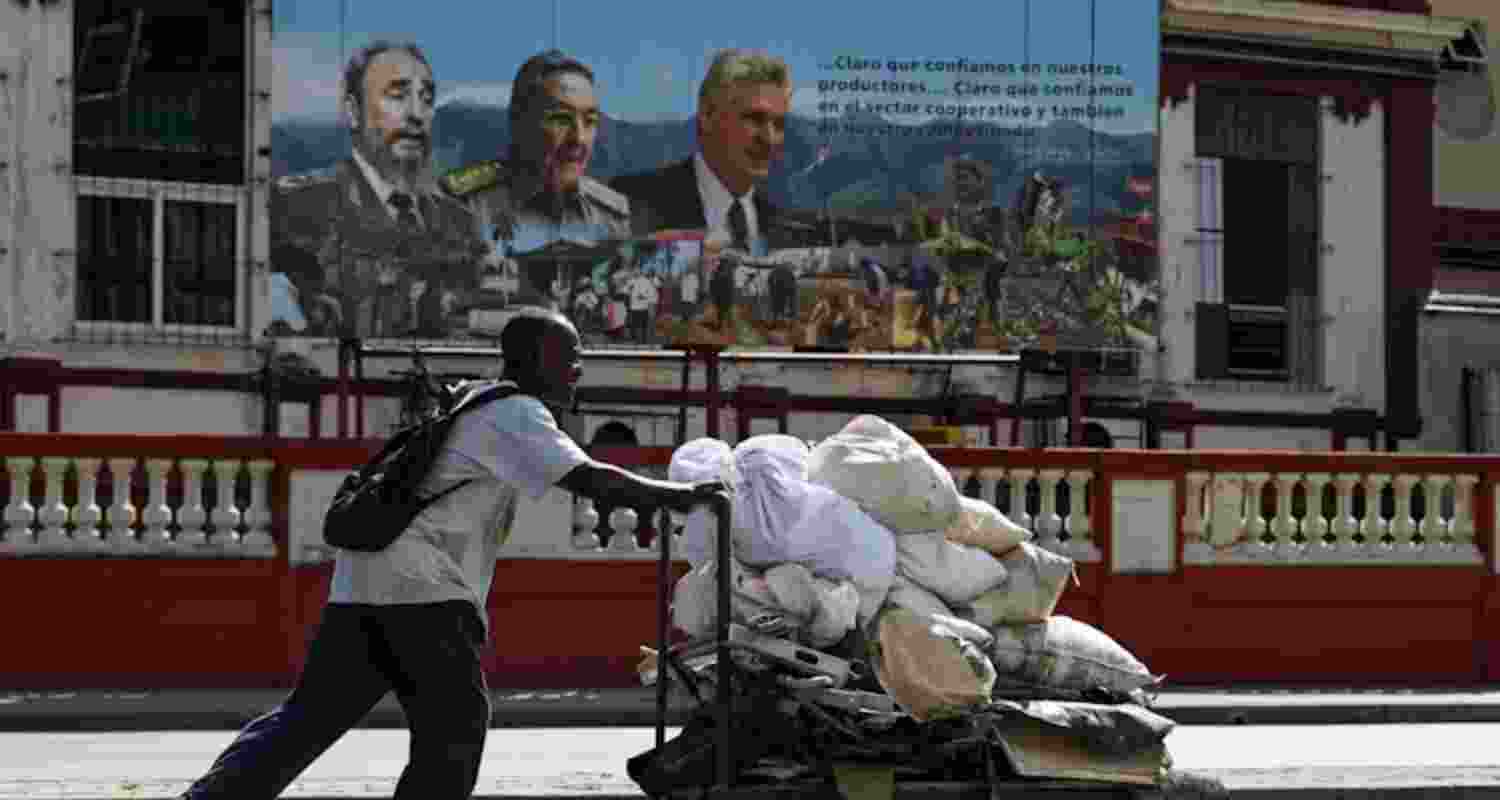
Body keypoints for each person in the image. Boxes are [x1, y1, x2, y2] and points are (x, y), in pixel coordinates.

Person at [178, 309, 721, 800]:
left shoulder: (472, 401)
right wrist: (684, 495)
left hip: (361, 582)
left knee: (307, 719)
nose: (577, 371)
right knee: (455, 729)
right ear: (534, 361)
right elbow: (590, 479)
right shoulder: (515, 411)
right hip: (424, 590)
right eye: (570, 358)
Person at [272, 40, 484, 338]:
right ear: (353, 111)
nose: (416, 114)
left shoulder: (459, 225)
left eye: (426, 99)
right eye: (397, 96)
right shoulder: (299, 204)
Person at [442, 50, 632, 300]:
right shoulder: (465, 205)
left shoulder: (612, 215)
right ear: (518, 121)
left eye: (590, 121)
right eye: (560, 119)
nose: (579, 138)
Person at [610, 49, 791, 252]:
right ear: (707, 114)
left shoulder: (787, 229)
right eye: (754, 118)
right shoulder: (630, 203)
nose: (769, 138)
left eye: (779, 124)